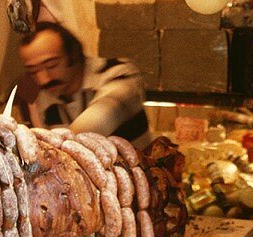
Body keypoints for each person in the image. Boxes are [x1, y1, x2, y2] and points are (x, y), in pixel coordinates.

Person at [17, 22, 154, 148]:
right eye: (33, 71)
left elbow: (99, 120)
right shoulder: (47, 100)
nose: (43, 80)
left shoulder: (117, 72)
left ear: (74, 54)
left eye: (52, 65)